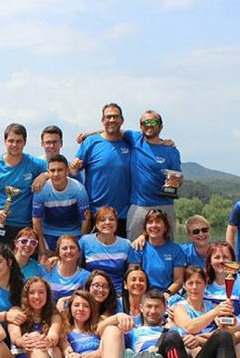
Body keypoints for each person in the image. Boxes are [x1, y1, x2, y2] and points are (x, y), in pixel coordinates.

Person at [0, 123, 47, 245]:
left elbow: (56, 168)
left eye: (19, 141)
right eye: (11, 141)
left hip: (24, 227)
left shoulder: (34, 163)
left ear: (25, 142)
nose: (14, 145)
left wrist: (45, 175)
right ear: (5, 141)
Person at [71, 103, 132, 237]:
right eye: (108, 117)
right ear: (103, 120)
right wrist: (74, 167)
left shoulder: (130, 142)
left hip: (123, 214)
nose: (111, 120)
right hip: (95, 213)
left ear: (122, 120)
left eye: (115, 117)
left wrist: (165, 142)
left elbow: (149, 138)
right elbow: (74, 172)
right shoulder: (90, 142)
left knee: (122, 256)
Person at [7, 276, 68, 358]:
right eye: (32, 293)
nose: (37, 296)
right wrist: (22, 341)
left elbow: (54, 334)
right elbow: (14, 336)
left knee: (38, 339)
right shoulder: (17, 312)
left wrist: (47, 340)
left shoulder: (54, 314)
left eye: (41, 292)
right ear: (26, 295)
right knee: (34, 337)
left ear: (47, 294)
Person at [124, 111, 182, 241]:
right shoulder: (134, 139)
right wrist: (86, 135)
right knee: (135, 248)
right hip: (139, 206)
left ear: (160, 126)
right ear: (140, 126)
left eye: (153, 122)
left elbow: (178, 179)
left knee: (166, 250)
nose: (149, 125)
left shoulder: (171, 151)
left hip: (165, 206)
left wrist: (176, 182)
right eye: (145, 122)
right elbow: (112, 129)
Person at [203, 241, 240, 358]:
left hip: (237, 335)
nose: (221, 261)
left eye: (226, 257)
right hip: (206, 333)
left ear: (233, 260)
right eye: (217, 257)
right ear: (210, 260)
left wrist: (235, 338)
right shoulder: (203, 282)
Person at [32, 154, 91, 255]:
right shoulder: (41, 190)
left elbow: (86, 220)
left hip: (74, 233)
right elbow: (36, 222)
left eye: (60, 170)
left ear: (67, 171)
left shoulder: (78, 189)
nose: (56, 174)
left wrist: (80, 249)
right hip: (49, 233)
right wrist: (42, 252)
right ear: (48, 172)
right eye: (52, 170)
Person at [127, 209, 185, 297]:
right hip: (143, 295)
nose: (154, 225)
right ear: (145, 227)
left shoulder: (176, 249)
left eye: (158, 222)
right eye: (150, 222)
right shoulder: (137, 248)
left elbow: (178, 280)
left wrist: (167, 294)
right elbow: (133, 277)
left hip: (167, 295)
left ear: (165, 227)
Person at [79, 207, 131, 293]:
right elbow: (72, 260)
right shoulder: (85, 241)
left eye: (111, 219)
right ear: (96, 224)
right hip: (92, 292)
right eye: (102, 220)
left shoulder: (126, 244)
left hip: (118, 293)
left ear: (117, 223)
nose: (107, 222)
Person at [42, 235, 91, 304]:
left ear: (79, 252)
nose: (69, 251)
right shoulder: (47, 269)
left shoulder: (85, 276)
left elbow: (86, 300)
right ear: (58, 253)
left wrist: (64, 300)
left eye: (72, 248)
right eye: (64, 248)